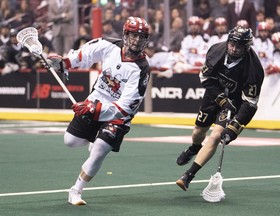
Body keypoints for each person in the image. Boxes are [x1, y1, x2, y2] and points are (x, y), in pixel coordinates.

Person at [47, 16, 150, 205]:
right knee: (70, 141)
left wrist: (94, 109)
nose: (137, 41)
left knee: (100, 149)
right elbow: (85, 54)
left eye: (141, 37)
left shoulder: (142, 69)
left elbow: (124, 108)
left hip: (117, 116)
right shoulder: (108, 45)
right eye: (134, 35)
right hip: (96, 100)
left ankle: (76, 190)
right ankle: (94, 137)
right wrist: (64, 63)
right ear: (125, 35)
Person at [175, 26, 264, 191]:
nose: (233, 48)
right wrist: (221, 99)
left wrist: (234, 127)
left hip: (235, 102)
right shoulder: (217, 50)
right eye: (232, 43)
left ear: (247, 47)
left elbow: (250, 103)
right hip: (213, 94)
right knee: (198, 131)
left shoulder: (254, 70)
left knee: (216, 136)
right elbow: (205, 77)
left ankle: (188, 175)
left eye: (238, 46)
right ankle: (194, 148)